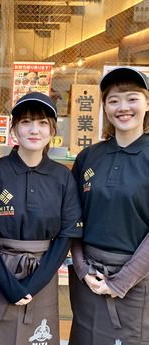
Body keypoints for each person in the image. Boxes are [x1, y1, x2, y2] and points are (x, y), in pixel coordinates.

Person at [0, 92, 83, 345]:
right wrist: (6, 282)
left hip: (43, 274)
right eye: (26, 122)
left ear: (52, 129)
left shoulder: (62, 177)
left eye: (42, 123)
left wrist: (34, 283)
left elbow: (66, 234)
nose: (34, 130)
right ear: (14, 129)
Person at [69, 67, 149, 345]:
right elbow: (73, 219)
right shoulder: (89, 157)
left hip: (137, 281)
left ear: (147, 103)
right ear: (104, 106)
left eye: (132, 98)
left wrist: (121, 281)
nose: (123, 107)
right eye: (114, 100)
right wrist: (82, 269)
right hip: (88, 279)